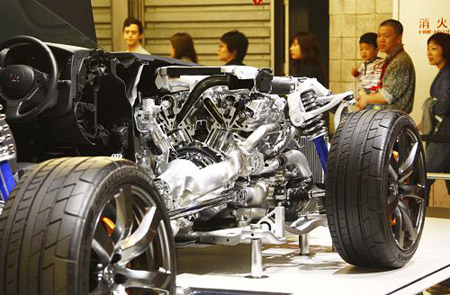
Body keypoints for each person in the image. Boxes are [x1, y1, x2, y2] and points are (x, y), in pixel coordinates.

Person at [356, 19, 415, 113]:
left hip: (392, 120)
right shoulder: (390, 59)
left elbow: (387, 95)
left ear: (398, 39)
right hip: (386, 117)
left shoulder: (399, 61)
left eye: (386, 36)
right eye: (379, 36)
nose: (381, 40)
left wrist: (366, 99)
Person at [423, 33, 450, 194]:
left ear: (445, 50)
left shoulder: (446, 75)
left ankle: (415, 216)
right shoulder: (445, 73)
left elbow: (444, 105)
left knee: (423, 177)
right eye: (428, 49)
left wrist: (431, 107)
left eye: (434, 48)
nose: (429, 53)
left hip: (443, 134)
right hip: (445, 131)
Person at [351, 32, 384, 109]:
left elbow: (377, 78)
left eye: (367, 49)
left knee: (372, 112)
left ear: (376, 50)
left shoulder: (378, 63)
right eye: (361, 49)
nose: (364, 52)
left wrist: (372, 93)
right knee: (364, 111)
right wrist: (356, 74)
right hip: (363, 91)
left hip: (373, 92)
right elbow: (362, 78)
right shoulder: (363, 64)